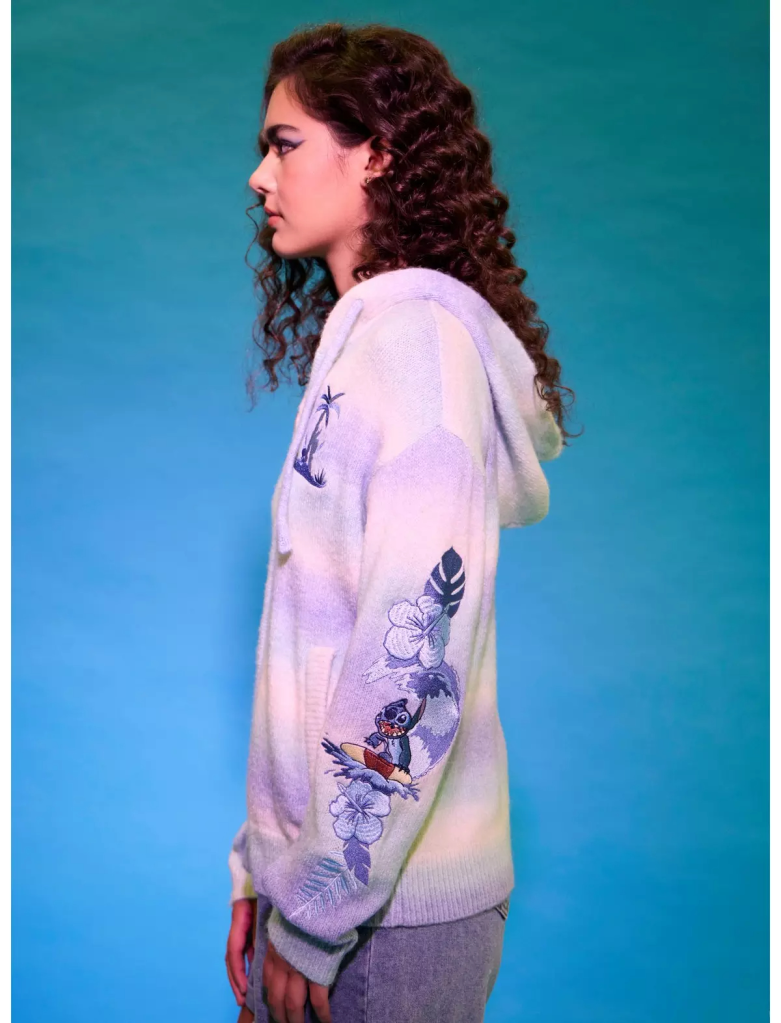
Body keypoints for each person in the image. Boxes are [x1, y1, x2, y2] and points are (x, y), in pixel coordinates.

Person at [225, 21, 578, 1023]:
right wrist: (261, 867)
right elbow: (314, 636)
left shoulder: (417, 347)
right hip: (326, 899)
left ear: (376, 152)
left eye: (285, 144)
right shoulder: (367, 340)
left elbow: (412, 654)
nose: (260, 176)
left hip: (386, 925)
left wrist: (313, 911)